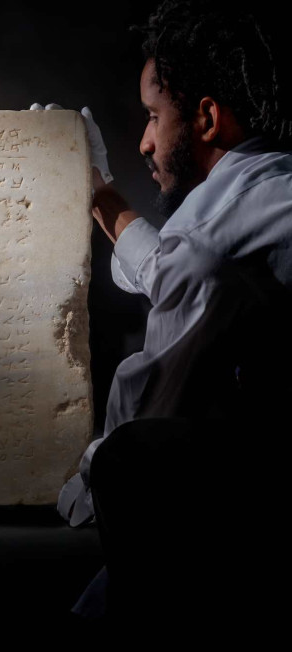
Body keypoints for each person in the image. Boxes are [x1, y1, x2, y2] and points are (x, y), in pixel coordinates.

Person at [37, 0, 292, 630]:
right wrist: (99, 191)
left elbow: (148, 413)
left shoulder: (210, 238)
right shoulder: (264, 190)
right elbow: (165, 267)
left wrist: (84, 475)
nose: (145, 141)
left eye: (154, 116)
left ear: (206, 117)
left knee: (128, 458)